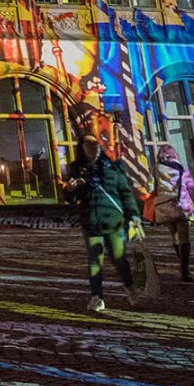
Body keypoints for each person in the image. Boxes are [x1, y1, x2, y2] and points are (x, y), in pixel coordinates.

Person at [61, 133, 140, 313]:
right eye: (88, 144)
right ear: (81, 148)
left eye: (95, 144)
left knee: (119, 259)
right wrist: (70, 190)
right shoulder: (76, 169)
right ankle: (97, 297)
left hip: (113, 221)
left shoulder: (112, 167)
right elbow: (71, 199)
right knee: (95, 260)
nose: (93, 147)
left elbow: (125, 193)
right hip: (91, 222)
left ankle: (129, 287)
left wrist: (134, 216)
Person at [150, 144, 194, 281]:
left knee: (174, 237)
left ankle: (182, 265)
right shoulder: (182, 168)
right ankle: (185, 271)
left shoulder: (155, 169)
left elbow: (150, 187)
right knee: (184, 237)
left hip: (165, 207)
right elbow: (192, 189)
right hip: (181, 205)